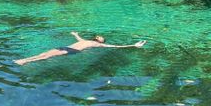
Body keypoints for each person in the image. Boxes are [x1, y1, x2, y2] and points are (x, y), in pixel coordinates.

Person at [14, 32, 147, 65]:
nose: (100, 37)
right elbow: (79, 38)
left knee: (47, 56)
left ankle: (25, 62)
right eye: (99, 36)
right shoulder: (86, 40)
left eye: (102, 38)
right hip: (66, 47)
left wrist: (133, 45)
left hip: (71, 51)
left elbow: (117, 46)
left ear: (101, 41)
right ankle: (24, 59)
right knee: (44, 53)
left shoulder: (98, 44)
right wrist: (75, 34)